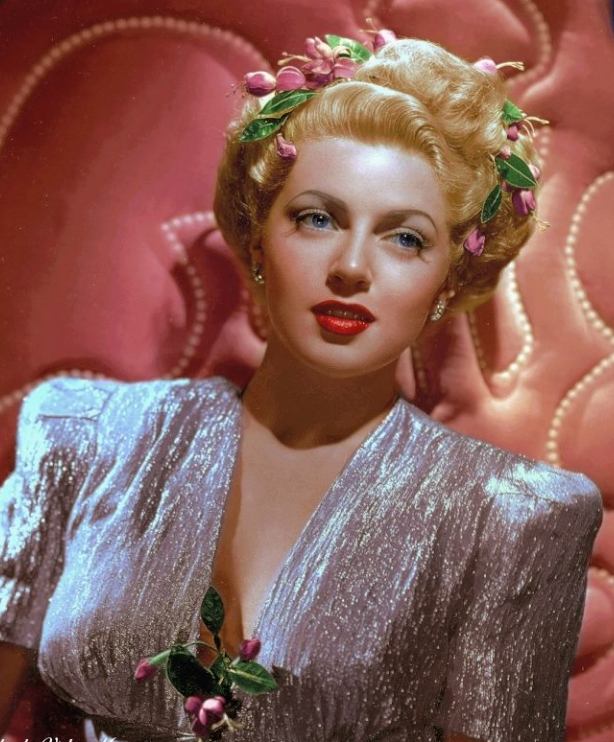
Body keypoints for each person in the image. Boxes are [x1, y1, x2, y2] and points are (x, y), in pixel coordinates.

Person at [0, 31, 603, 742]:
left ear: (448, 279)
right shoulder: (84, 435)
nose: (351, 266)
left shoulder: (509, 520)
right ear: (259, 239)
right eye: (318, 218)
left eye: (405, 238)